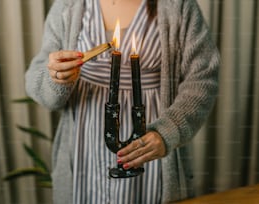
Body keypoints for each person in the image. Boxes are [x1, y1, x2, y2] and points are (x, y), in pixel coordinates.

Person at [25, 0, 220, 203]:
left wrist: (167, 132)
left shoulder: (178, 6)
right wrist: (55, 78)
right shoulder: (69, 6)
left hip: (149, 152)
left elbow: (203, 78)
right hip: (84, 151)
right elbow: (37, 80)